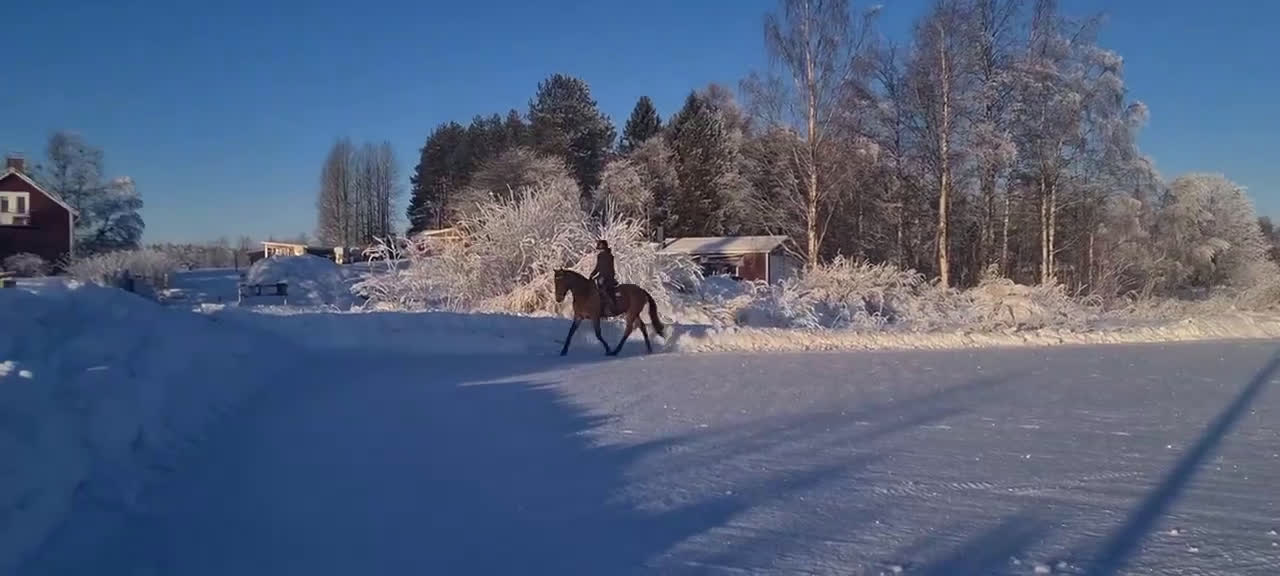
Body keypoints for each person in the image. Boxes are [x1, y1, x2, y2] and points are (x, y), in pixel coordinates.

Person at [588, 239, 618, 313]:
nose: (600, 251)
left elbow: (609, 269)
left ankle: (611, 306)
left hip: (608, 277)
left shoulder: (609, 256)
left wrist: (604, 277)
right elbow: (598, 267)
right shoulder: (599, 256)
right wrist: (592, 274)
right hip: (601, 276)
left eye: (601, 249)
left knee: (604, 289)